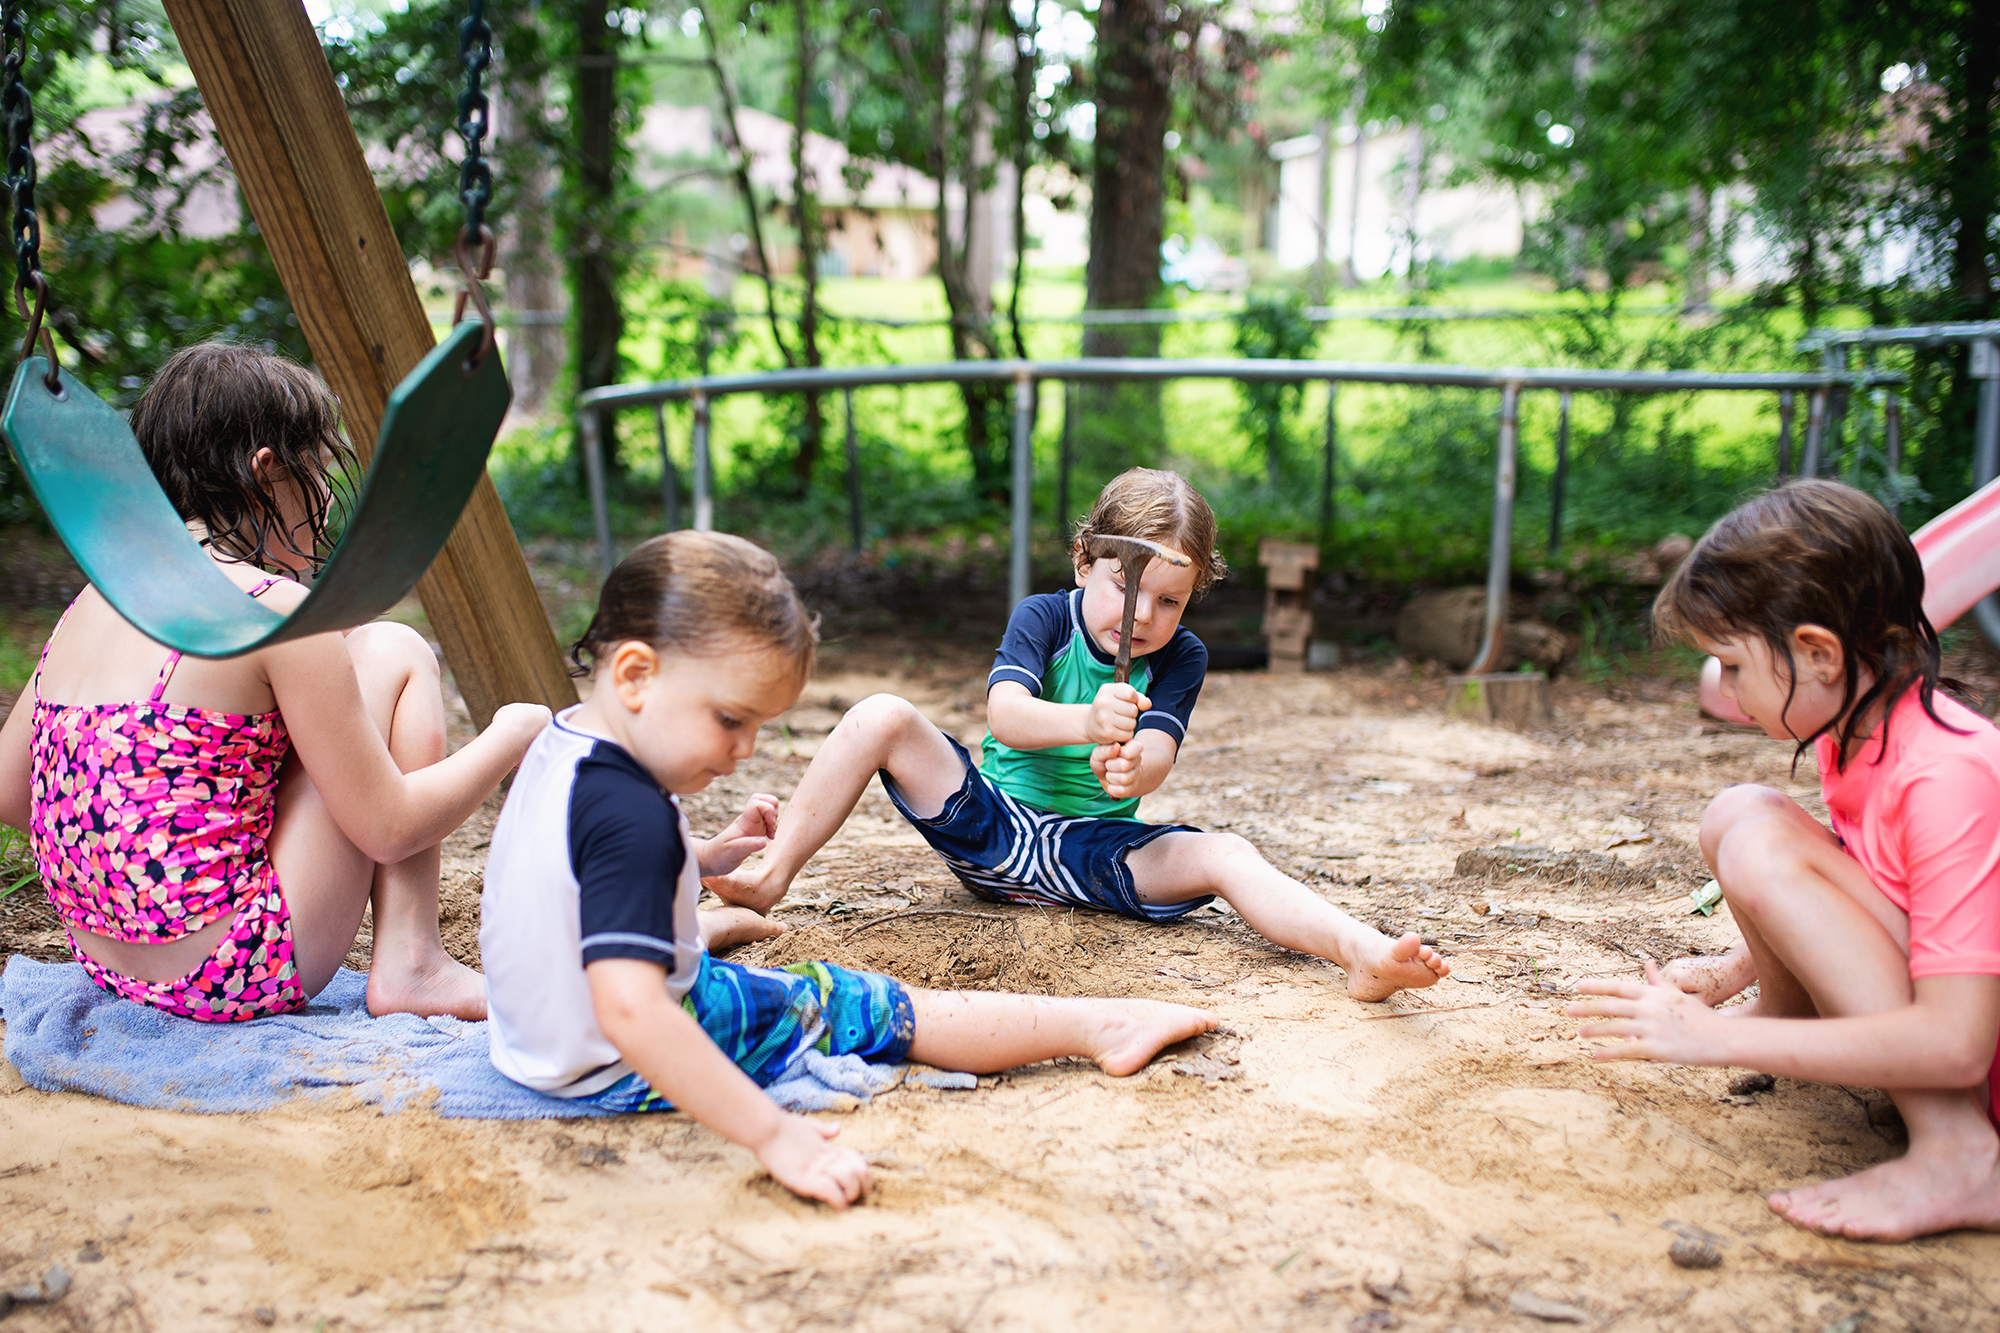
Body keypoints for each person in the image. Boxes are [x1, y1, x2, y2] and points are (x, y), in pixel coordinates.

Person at [479, 529, 1217, 1209]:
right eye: (733, 720)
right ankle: (1099, 1024)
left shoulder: (564, 739)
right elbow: (634, 1010)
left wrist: (697, 856)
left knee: (706, 956)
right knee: (860, 1002)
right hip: (607, 1059)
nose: (743, 749)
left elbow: (577, 866)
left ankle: (701, 931)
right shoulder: (633, 815)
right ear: (637, 674)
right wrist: (771, 1134)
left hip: (534, 1038)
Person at [706, 467, 1449, 1002]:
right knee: (882, 713)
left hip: (1092, 856)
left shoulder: (1180, 657)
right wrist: (1086, 721)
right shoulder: (1045, 617)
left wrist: (1134, 768)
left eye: (1171, 600)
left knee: (1224, 852)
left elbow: (1158, 754)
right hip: (993, 825)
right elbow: (1006, 715)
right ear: (1084, 560)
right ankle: (770, 876)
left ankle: (1361, 950)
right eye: (1128, 585)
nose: (1147, 616)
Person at [0, 343, 549, 1023]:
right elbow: (389, 826)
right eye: (316, 471)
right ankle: (413, 960)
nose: (323, 498)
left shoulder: (94, 599)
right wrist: (512, 732)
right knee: (395, 648)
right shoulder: (275, 609)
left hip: (106, 961)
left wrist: (137, 842)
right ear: (267, 472)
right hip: (234, 968)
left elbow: (9, 788)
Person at [1570, 479, 2000, 1241]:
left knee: (1763, 841)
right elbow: (1869, 879)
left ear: (1818, 653)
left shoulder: (1948, 774)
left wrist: (1713, 1040)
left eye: (1734, 666)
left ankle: (1959, 1152)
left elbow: (1960, 1042)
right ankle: (1783, 1011)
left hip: (1974, 1053)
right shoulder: (1863, 727)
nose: (1725, 691)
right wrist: (1735, 967)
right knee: (1741, 811)